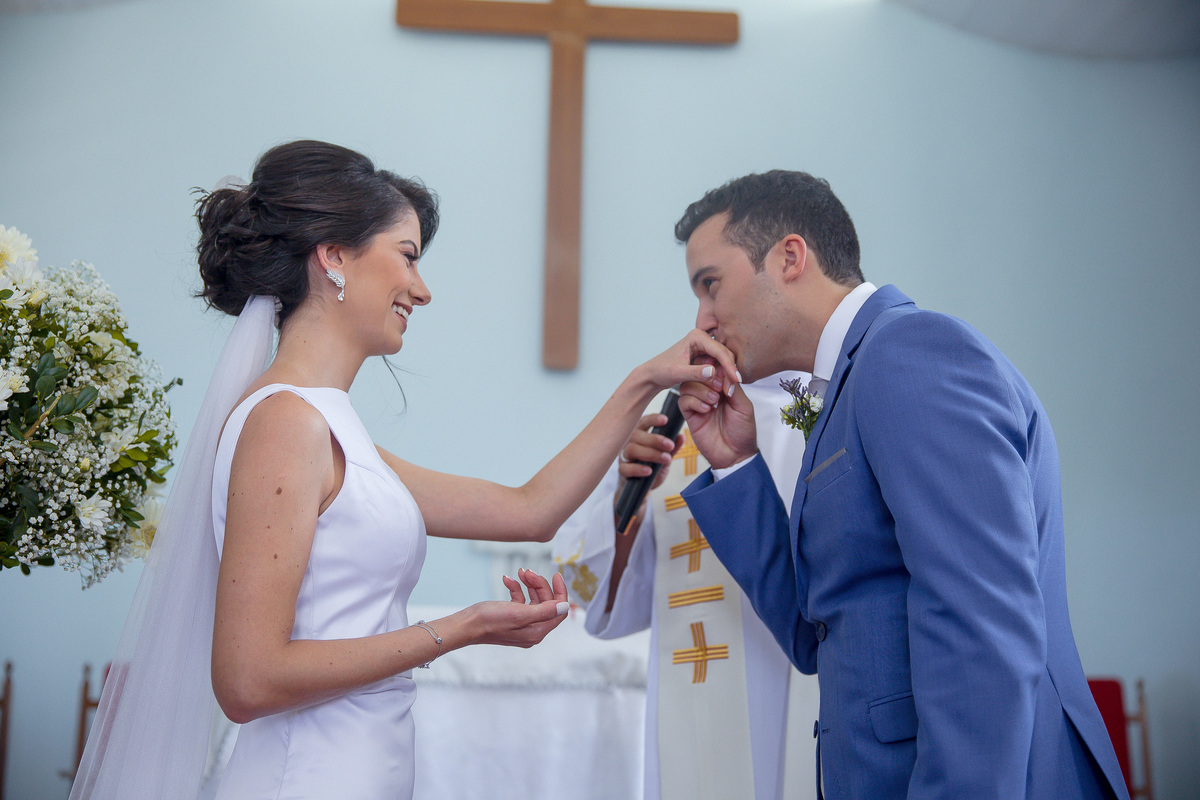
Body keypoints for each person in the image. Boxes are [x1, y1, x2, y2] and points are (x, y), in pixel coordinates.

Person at [68, 140, 737, 800]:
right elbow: (247, 681)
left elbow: (527, 509)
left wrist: (644, 381)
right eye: (408, 257)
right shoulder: (283, 424)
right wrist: (463, 628)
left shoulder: (326, 425)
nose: (421, 290)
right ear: (333, 259)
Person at [667, 171, 1130, 799]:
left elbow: (982, 627)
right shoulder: (850, 390)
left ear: (790, 257)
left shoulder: (910, 351)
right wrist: (735, 464)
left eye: (711, 284)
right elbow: (817, 634)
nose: (704, 319)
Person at [554, 374, 820, 800]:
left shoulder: (820, 410)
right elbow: (607, 598)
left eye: (715, 301)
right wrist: (633, 495)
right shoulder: (676, 419)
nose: (705, 323)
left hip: (801, 684)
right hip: (691, 691)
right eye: (699, 302)